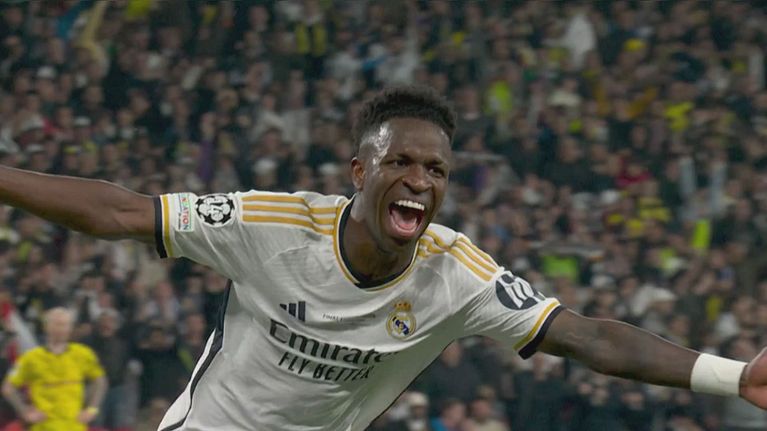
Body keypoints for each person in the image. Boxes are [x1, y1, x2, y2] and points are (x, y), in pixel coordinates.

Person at [0, 85, 766, 430]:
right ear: (359, 171)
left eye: (435, 170)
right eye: (400, 162)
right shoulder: (271, 225)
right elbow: (122, 211)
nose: (420, 180)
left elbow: (584, 334)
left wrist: (732, 376)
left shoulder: (456, 272)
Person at [1, 307, 107, 431]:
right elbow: (8, 387)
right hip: (44, 427)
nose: (61, 329)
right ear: (47, 327)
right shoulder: (30, 358)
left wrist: (92, 409)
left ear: (70, 328)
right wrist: (24, 411)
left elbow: (100, 381)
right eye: (57, 324)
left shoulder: (83, 354)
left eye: (65, 325)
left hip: (74, 427)